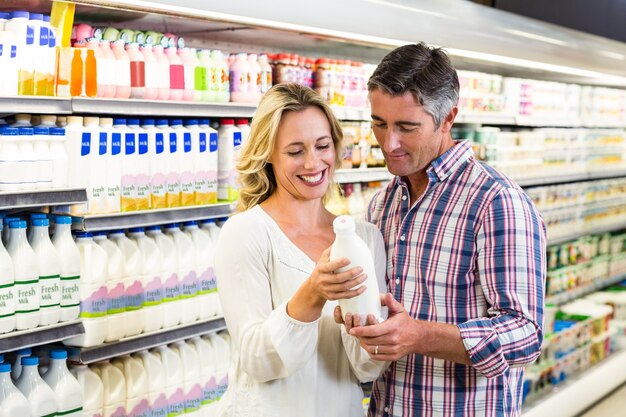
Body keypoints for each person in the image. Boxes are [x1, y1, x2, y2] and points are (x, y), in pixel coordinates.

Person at [346, 43, 546, 417]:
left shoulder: (496, 202)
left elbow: (526, 336)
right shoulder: (381, 205)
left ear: (447, 118)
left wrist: (419, 335)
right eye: (379, 123)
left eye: (407, 127)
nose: (389, 143)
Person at [214, 83, 388, 417]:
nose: (313, 163)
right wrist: (312, 293)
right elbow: (257, 359)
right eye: (295, 151)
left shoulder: (364, 238)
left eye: (323, 146)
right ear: (268, 154)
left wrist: (377, 337)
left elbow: (366, 369)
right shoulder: (246, 233)